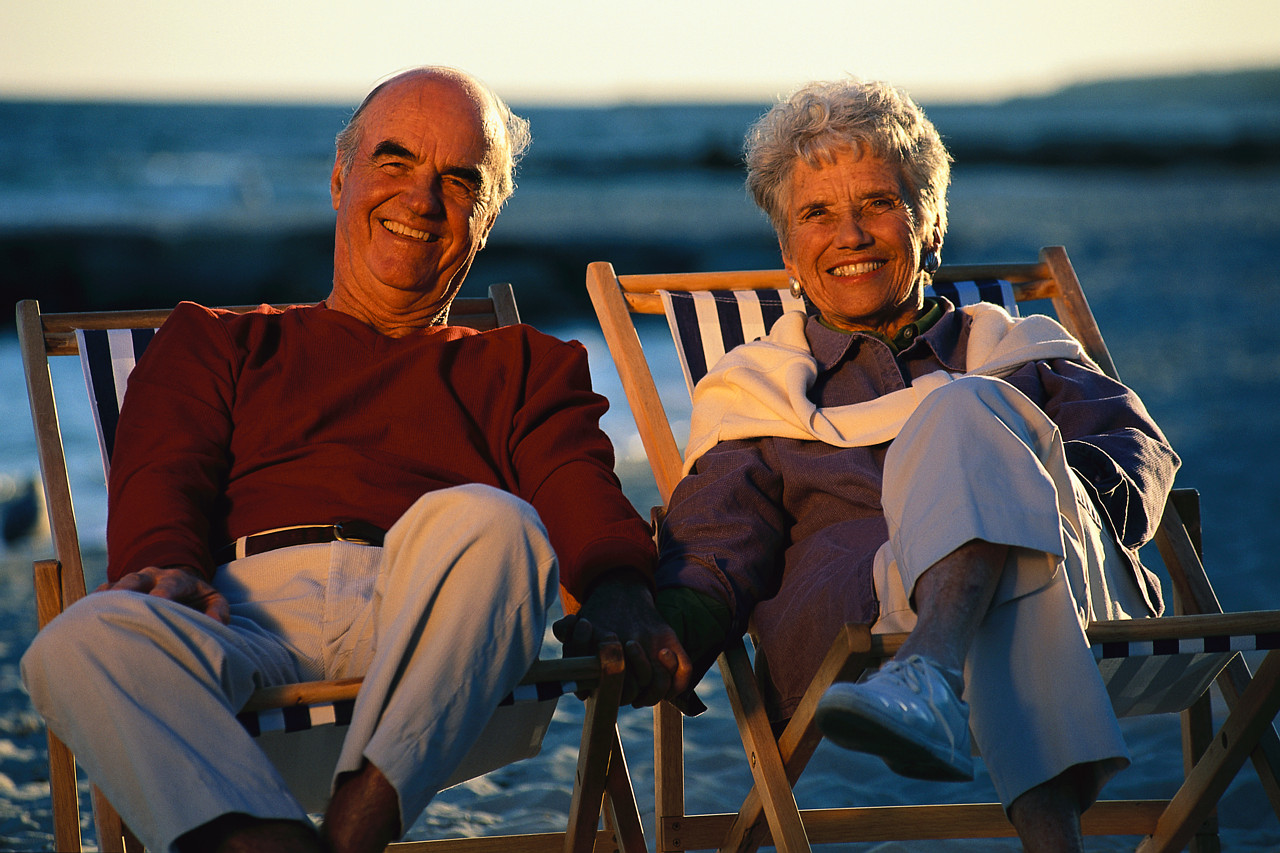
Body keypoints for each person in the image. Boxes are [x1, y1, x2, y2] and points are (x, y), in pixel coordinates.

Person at [20, 66, 665, 853]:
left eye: (459, 183)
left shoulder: (525, 365)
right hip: (247, 622)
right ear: (339, 177)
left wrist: (622, 582)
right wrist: (163, 564)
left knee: (498, 523)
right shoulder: (216, 341)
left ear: (487, 218)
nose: (422, 201)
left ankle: (356, 822)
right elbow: (164, 474)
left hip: (435, 636)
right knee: (75, 640)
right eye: (394, 163)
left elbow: (578, 488)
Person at [581, 78, 1179, 853]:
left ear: (930, 224)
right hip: (863, 613)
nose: (851, 234)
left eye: (878, 204)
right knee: (970, 432)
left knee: (965, 414)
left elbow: (1133, 456)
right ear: (788, 249)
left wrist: (1034, 499)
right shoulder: (759, 394)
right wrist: (670, 634)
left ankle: (929, 670)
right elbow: (718, 539)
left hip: (1066, 576)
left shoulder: (1020, 351)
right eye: (817, 213)